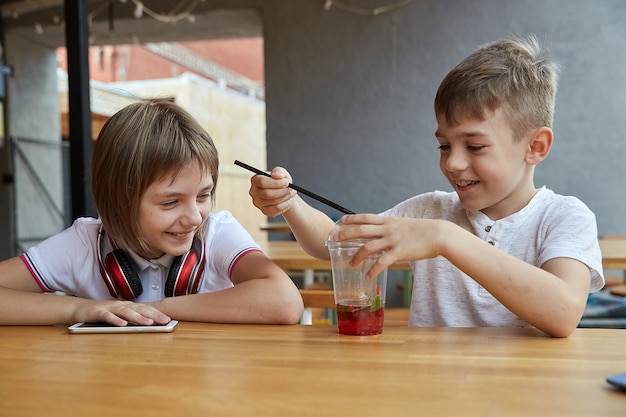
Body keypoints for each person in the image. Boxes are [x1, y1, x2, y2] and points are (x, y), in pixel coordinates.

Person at [247, 35, 604, 338]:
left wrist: (445, 238)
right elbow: (333, 243)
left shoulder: (565, 217)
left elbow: (563, 312)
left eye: (475, 146)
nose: (452, 163)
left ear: (535, 147)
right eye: (444, 145)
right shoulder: (429, 211)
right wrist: (289, 203)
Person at [0, 99, 304, 326]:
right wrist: (79, 309)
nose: (195, 217)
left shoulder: (216, 232)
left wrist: (157, 308)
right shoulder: (83, 243)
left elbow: (286, 302)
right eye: (170, 202)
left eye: (203, 195)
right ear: (119, 200)